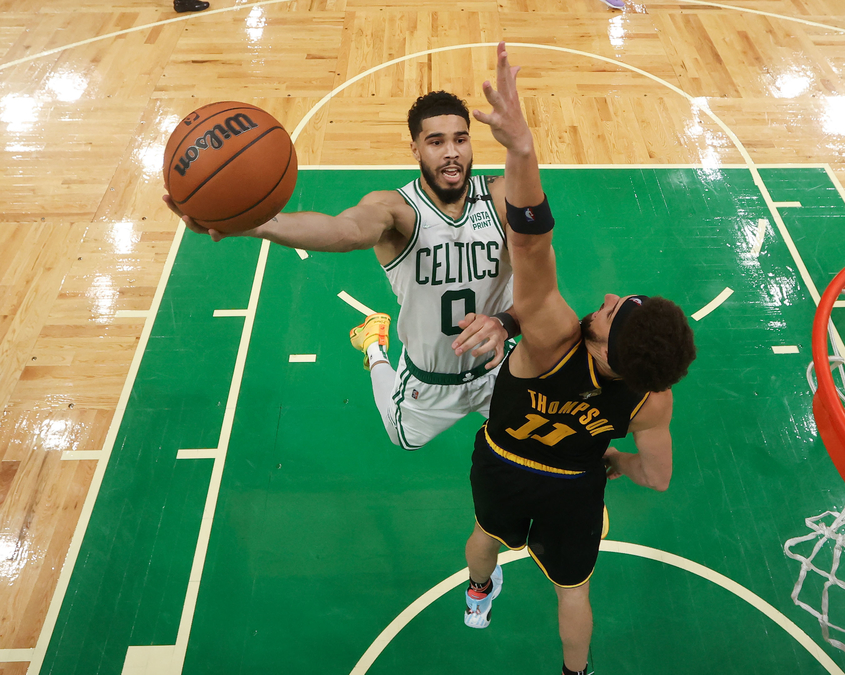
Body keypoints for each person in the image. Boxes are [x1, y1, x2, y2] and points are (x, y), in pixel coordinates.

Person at [459, 43, 696, 675]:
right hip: (573, 484)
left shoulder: (552, 340)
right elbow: (657, 478)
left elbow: (531, 244)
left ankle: (478, 596)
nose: (612, 297)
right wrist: (612, 456)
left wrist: (521, 149)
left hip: (504, 462)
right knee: (573, 590)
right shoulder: (651, 397)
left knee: (485, 537)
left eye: (617, 309)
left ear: (601, 340)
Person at [163, 91, 518, 451]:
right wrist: (256, 226)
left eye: (460, 139)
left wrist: (507, 322)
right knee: (404, 439)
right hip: (429, 381)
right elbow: (345, 231)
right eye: (436, 141)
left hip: (500, 367)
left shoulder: (502, 198)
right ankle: (374, 347)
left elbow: (539, 287)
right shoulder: (396, 209)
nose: (451, 152)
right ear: (415, 149)